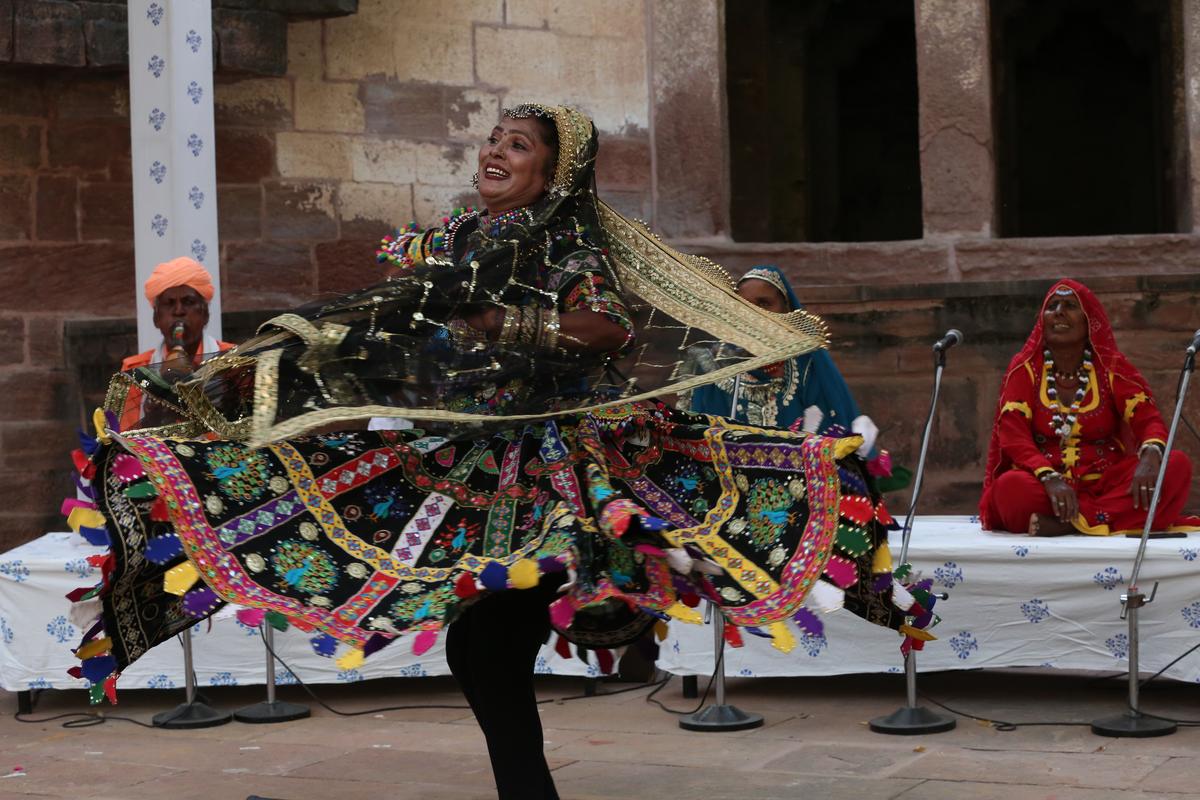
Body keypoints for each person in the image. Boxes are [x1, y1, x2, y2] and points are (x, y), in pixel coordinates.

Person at [66, 106, 931, 800]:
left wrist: (506, 322)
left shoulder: (569, 244)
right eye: (491, 140)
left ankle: (549, 746)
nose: (494, 153)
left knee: (492, 643)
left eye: (517, 145)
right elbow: (368, 322)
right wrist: (258, 371)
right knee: (477, 648)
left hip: (559, 468)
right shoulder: (452, 242)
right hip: (463, 465)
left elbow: (605, 326)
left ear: (553, 173)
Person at [980, 279, 1199, 535]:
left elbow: (1147, 418)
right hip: (1047, 488)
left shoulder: (1111, 367)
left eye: (1070, 305)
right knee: (1010, 488)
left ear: (1089, 322)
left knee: (1175, 465)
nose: (1059, 311)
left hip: (1106, 484)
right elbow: (1013, 434)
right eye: (1052, 306)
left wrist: (1150, 456)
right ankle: (1105, 520)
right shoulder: (1025, 368)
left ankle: (1071, 524)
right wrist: (1049, 478)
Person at [683, 265, 880, 454]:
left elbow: (829, 431)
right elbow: (699, 432)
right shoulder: (714, 364)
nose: (754, 313)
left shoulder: (806, 362)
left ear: (786, 309)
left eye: (764, 303)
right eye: (744, 305)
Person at [118, 257, 234, 431]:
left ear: (205, 315)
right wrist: (151, 418)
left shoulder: (233, 360)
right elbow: (125, 440)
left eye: (188, 302)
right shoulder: (135, 370)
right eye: (169, 303)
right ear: (156, 318)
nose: (179, 311)